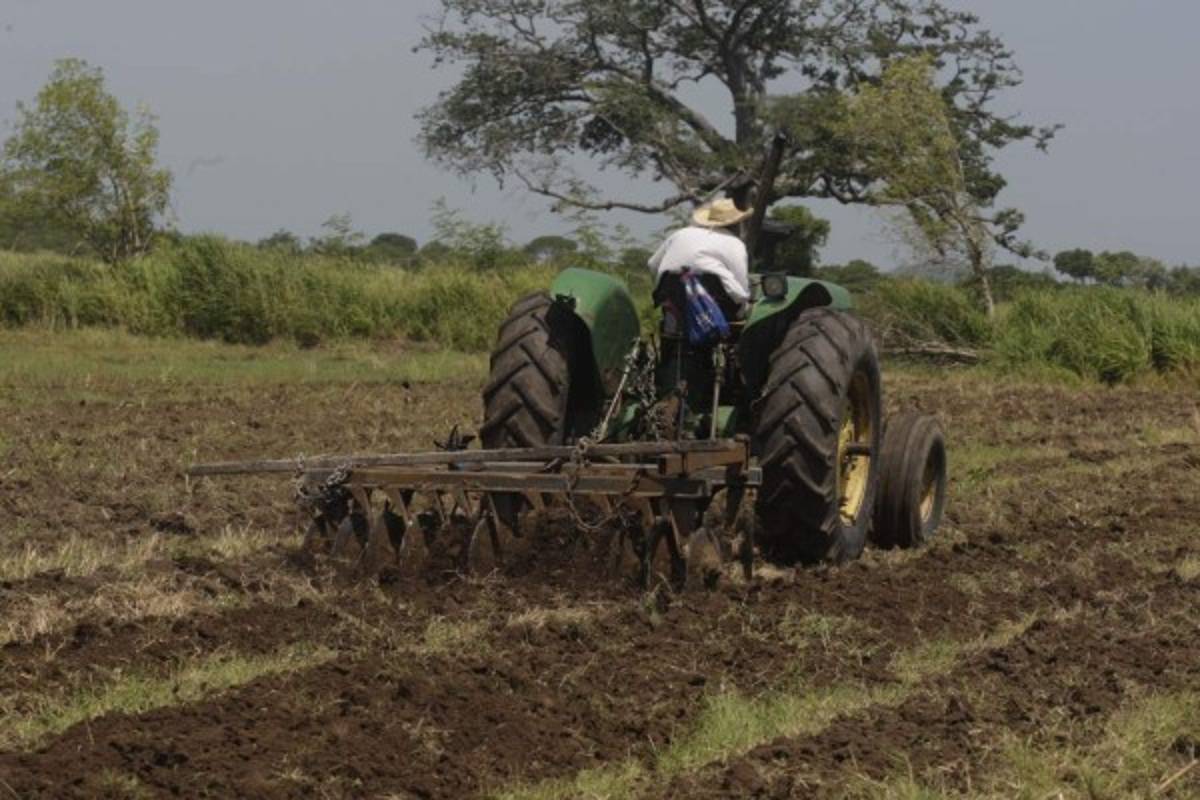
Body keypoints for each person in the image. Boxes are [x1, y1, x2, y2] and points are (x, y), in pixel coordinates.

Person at [647, 198, 752, 320]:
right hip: (716, 308)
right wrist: (745, 303)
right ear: (736, 224)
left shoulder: (680, 234)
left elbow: (652, 264)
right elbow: (741, 285)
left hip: (674, 304)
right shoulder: (735, 243)